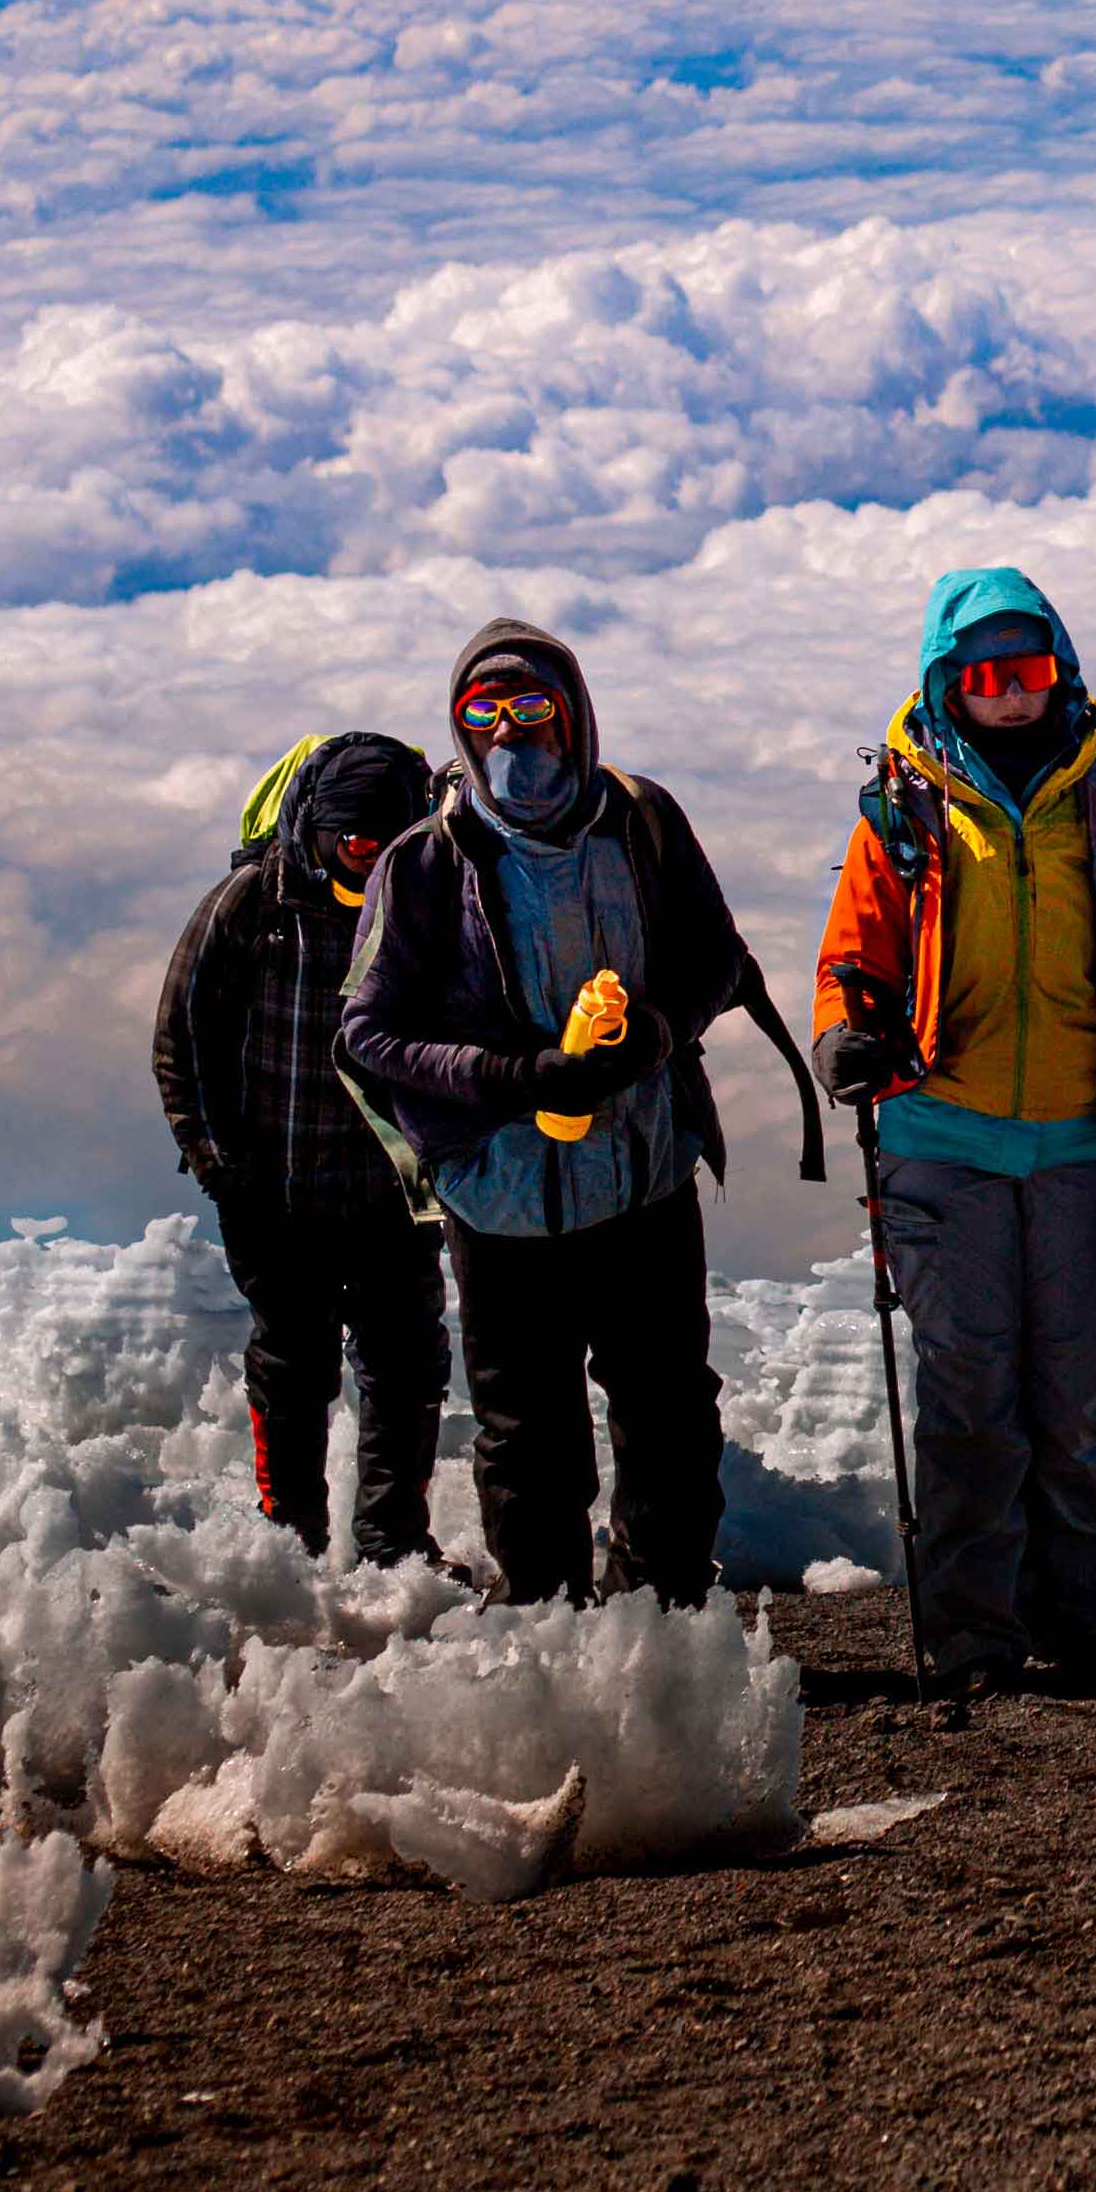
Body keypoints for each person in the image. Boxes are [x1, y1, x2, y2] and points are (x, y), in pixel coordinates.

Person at [810, 567, 1096, 1691]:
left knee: (1073, 1393)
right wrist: (843, 1038)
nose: (1010, 696)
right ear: (949, 682)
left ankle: (1079, 1627)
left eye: (1030, 671)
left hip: (1078, 1146)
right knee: (969, 1399)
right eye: (986, 675)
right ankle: (974, 1641)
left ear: (1062, 672)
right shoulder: (905, 814)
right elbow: (854, 960)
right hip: (941, 1142)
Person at [335, 619, 787, 1610]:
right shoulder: (422, 863)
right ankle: (548, 1639)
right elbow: (366, 1034)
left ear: (574, 716)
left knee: (669, 1413)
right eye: (483, 715)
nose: (512, 737)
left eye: (533, 710)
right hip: (504, 1204)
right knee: (527, 1432)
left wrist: (655, 1034)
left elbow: (717, 956)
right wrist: (514, 1076)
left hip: (644, 1178)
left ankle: (655, 1623)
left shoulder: (642, 822)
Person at [150, 729, 450, 1566]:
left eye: (385, 844)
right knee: (294, 1366)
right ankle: (293, 1552)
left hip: (395, 1192)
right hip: (274, 1195)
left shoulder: (425, 902)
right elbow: (182, 1037)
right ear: (315, 830)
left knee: (406, 1365)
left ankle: (394, 1548)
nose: (367, 858)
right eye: (353, 842)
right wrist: (214, 1161)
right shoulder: (252, 904)